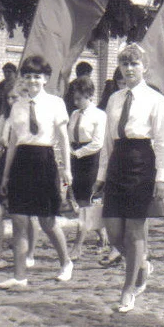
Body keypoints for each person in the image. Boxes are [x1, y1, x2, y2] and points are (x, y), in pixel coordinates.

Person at [91, 44, 164, 313]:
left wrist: (162, 177)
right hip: (117, 163)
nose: (129, 69)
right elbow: (107, 142)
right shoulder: (114, 98)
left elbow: (161, 142)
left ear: (144, 67)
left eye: (134, 64)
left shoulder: (156, 100)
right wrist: (101, 175)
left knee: (135, 230)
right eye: (124, 64)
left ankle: (128, 289)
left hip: (142, 161)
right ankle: (143, 264)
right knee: (114, 233)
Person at [0, 55, 74, 289]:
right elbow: (12, 143)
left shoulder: (55, 103)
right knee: (19, 220)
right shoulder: (17, 106)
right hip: (21, 162)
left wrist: (66, 170)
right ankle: (20, 277)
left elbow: (63, 139)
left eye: (37, 76)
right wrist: (6, 175)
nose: (32, 80)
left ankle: (66, 262)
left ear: (46, 79)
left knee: (47, 220)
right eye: (28, 76)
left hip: (44, 160)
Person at [0, 83, 39, 270]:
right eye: (8, 98)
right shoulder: (4, 119)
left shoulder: (29, 117)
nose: (11, 101)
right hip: (4, 162)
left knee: (27, 213)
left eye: (15, 97)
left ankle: (29, 254)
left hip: (25, 163)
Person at [67, 76, 108, 259]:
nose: (76, 102)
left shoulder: (99, 115)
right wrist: (69, 151)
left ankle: (77, 246)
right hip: (75, 158)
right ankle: (104, 237)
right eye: (74, 98)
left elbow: (98, 143)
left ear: (89, 95)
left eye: (79, 98)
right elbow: (68, 136)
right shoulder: (74, 114)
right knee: (84, 203)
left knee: (85, 204)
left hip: (91, 161)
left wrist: (78, 153)